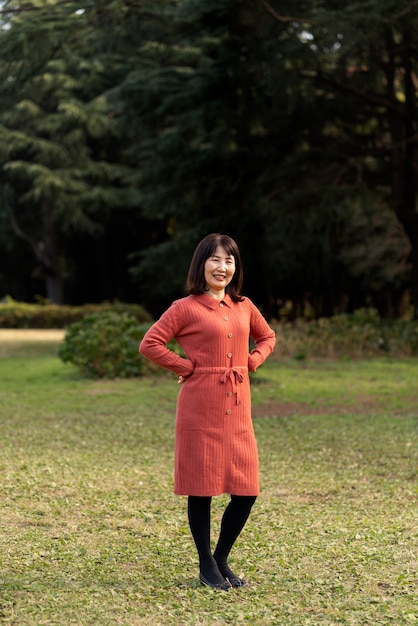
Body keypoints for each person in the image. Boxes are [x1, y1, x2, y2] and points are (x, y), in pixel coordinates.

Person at [139, 233, 276, 591]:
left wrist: (253, 361)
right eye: (215, 259)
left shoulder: (244, 305)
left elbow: (268, 337)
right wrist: (185, 367)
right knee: (201, 488)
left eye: (229, 260)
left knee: (246, 490)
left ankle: (221, 558)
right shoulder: (184, 307)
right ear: (201, 264)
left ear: (236, 267)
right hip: (200, 407)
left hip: (238, 406)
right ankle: (205, 564)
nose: (222, 267)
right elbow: (150, 343)